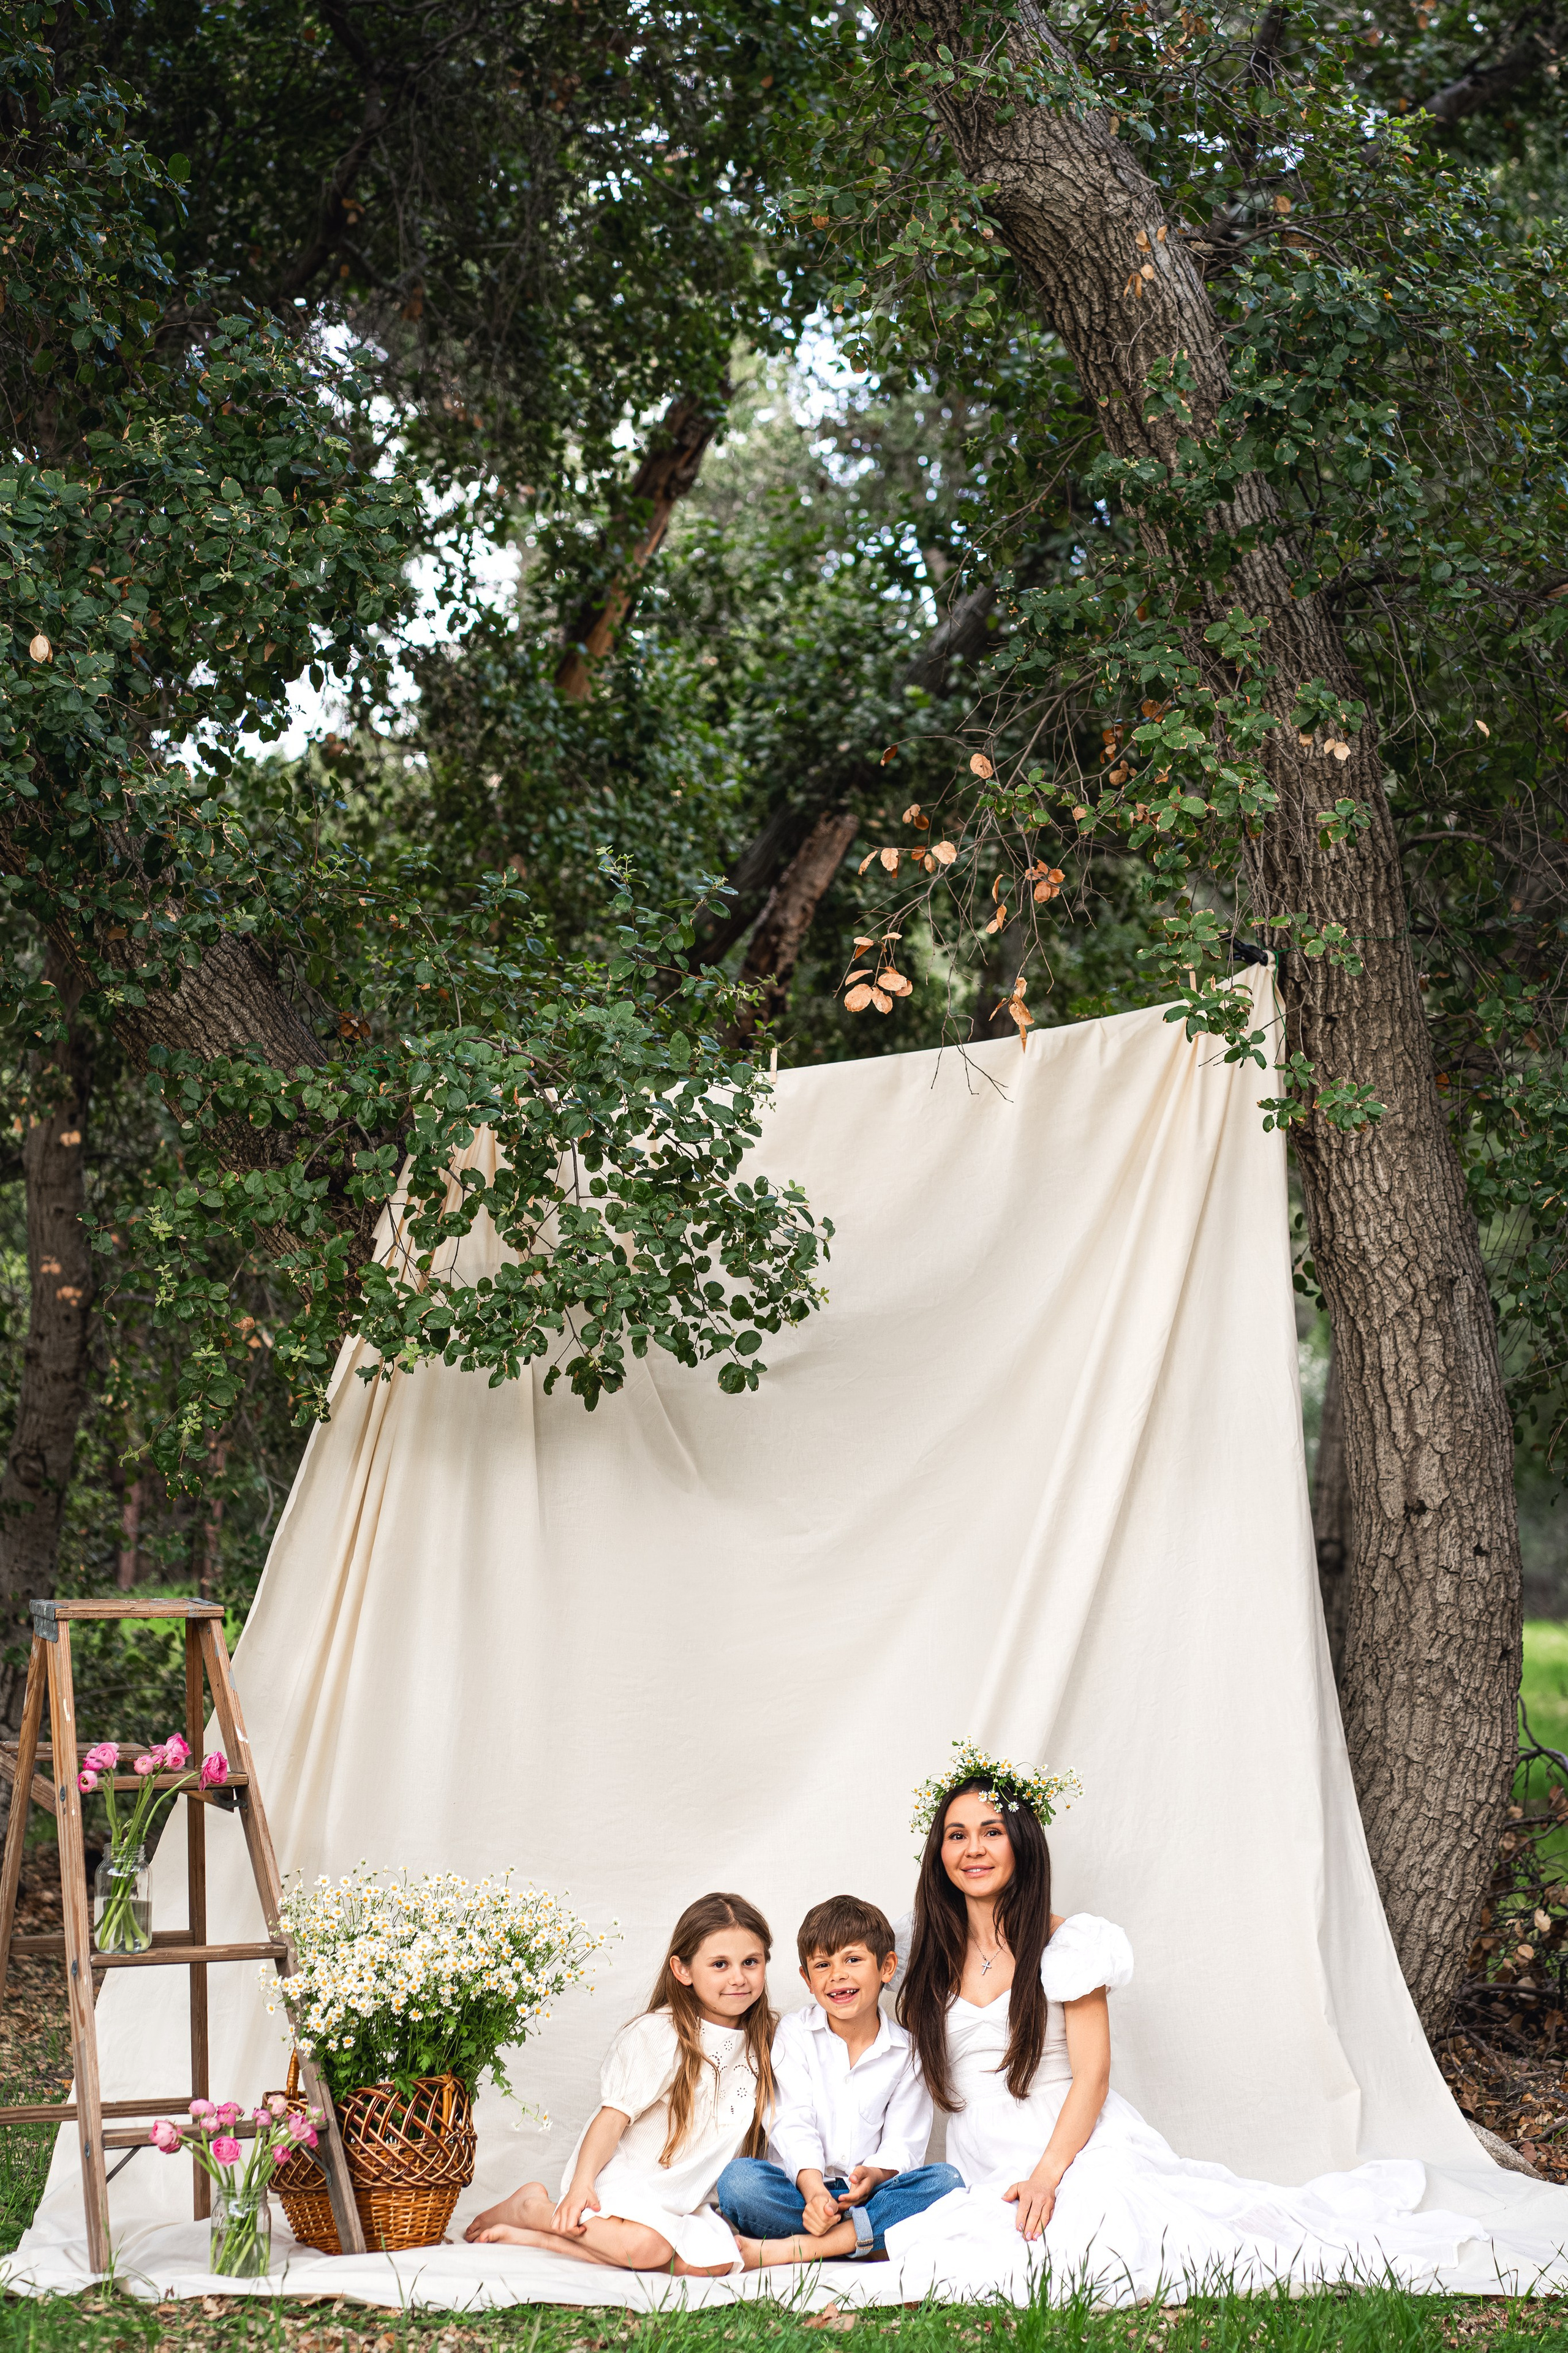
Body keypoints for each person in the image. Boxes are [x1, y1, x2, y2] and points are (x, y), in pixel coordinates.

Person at [883, 1743, 1487, 2302]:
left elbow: (1092, 2076)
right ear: (938, 1851)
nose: (974, 1849)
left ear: (1021, 1842)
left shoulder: (1069, 1942)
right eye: (956, 1835)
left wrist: (1046, 2175)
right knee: (975, 2250)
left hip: (1073, 2145)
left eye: (991, 1831)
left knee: (1100, 2241)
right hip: (981, 2153)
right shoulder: (921, 1950)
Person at [465, 1890, 774, 2273]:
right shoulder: (661, 2034)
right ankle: (534, 2210)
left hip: (693, 2192)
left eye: (750, 1962)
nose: (738, 1978)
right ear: (683, 1970)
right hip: (639, 2180)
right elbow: (613, 2117)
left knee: (714, 2265)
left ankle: (541, 2238)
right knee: (645, 2248)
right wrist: (581, 2185)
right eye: (720, 1964)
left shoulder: (770, 2040)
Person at [714, 1894, 963, 2266]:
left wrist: (875, 2174)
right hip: (800, 2195)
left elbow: (904, 2144)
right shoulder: (793, 2034)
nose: (838, 1975)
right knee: (740, 2182)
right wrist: (815, 2193)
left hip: (868, 2197)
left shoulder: (909, 2052)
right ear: (807, 1979)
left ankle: (801, 2249)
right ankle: (867, 2240)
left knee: (946, 2183)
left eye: (853, 1959)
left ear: (887, 1966)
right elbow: (790, 2120)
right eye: (822, 1964)